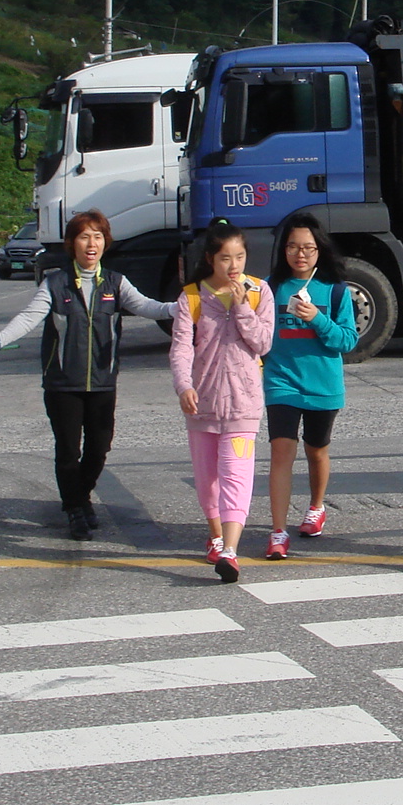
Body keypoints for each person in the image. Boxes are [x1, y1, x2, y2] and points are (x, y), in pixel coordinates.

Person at [0, 210, 177, 542]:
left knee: (99, 448)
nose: (91, 243)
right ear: (71, 244)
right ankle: (75, 508)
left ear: (105, 242)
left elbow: (147, 306)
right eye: (84, 237)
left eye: (97, 236)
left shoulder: (115, 283)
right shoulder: (55, 283)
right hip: (63, 383)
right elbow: (28, 318)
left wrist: (176, 308)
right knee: (68, 451)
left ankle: (79, 497)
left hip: (102, 382)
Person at [169, 219, 275, 583]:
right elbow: (181, 348)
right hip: (203, 404)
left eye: (240, 257)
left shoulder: (259, 291)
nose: (234, 265)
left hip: (244, 405)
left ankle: (230, 550)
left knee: (236, 475)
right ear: (211, 259)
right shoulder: (192, 297)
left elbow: (263, 343)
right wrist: (184, 386)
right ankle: (215, 535)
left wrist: (243, 308)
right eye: (226, 258)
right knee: (207, 480)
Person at [261, 213, 359, 560]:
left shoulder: (335, 290)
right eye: (292, 247)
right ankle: (278, 532)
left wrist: (317, 318)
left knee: (316, 450)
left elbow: (347, 340)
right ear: (283, 249)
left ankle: (316, 507)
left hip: (322, 385)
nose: (299, 254)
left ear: (320, 250)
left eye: (307, 248)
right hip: (281, 382)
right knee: (281, 453)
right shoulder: (269, 288)